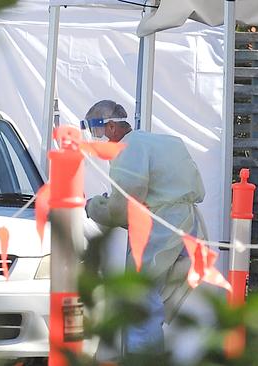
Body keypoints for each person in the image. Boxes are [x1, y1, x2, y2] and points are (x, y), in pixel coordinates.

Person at [84, 100, 206, 355]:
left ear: (113, 128)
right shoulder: (164, 142)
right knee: (154, 304)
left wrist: (93, 206)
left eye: (99, 132)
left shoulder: (129, 149)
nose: (99, 140)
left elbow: (122, 207)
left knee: (140, 302)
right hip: (191, 227)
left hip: (162, 230)